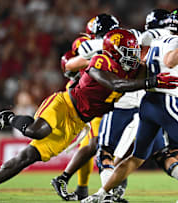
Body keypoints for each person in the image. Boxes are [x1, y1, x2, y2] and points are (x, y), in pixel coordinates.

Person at [0, 28, 178, 203]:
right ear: (113, 51)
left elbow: (153, 72)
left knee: (27, 158)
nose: (132, 56)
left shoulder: (133, 69)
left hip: (78, 122)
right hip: (65, 105)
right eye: (127, 51)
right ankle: (8, 118)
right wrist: (150, 82)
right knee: (36, 131)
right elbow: (115, 83)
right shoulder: (100, 61)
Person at [82, 7, 178, 203]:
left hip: (149, 103)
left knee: (137, 158)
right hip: (166, 103)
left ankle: (100, 194)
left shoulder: (159, 40)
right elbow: (170, 61)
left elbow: (147, 65)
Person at [50, 14, 119, 201]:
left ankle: (80, 187)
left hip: (103, 98)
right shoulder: (88, 44)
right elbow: (69, 64)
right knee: (97, 144)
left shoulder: (108, 43)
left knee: (93, 145)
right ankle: (105, 189)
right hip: (91, 97)